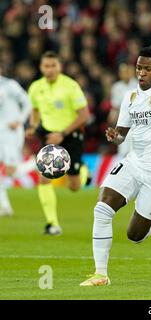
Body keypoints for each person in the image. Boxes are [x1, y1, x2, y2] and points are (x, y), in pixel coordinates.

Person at [80, 47, 151, 286]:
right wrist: (114, 135)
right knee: (102, 209)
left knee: (135, 236)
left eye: (147, 68)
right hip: (134, 162)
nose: (141, 73)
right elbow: (121, 136)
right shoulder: (129, 97)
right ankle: (101, 274)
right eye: (139, 68)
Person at [26, 51, 90, 235]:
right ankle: (52, 223)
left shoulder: (70, 86)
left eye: (53, 65)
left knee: (74, 186)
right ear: (41, 67)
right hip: (48, 135)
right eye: (46, 66)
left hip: (70, 134)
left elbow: (84, 114)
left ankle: (85, 171)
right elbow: (36, 110)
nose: (50, 69)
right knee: (44, 177)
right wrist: (33, 126)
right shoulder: (35, 88)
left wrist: (62, 134)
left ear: (59, 66)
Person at [0, 66, 33, 217]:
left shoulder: (9, 85)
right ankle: (5, 207)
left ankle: (35, 163)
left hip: (11, 133)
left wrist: (19, 121)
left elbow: (28, 103)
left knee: (11, 172)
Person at [107, 63, 138, 157]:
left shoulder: (138, 85)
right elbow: (115, 107)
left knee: (137, 151)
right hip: (123, 124)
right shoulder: (116, 87)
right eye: (122, 72)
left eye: (126, 71)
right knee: (123, 152)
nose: (124, 73)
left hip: (137, 122)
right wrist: (112, 117)